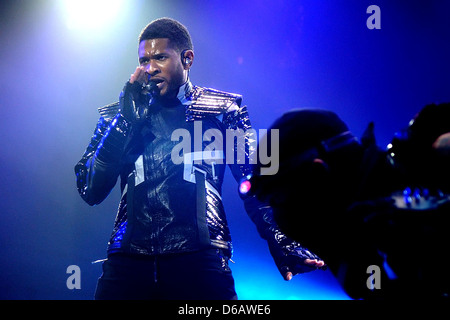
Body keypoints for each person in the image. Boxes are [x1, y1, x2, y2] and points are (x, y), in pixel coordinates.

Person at [75, 17, 324, 300]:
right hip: (128, 262)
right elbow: (89, 189)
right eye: (144, 60)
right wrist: (124, 121)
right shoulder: (117, 116)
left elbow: (259, 180)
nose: (150, 68)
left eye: (160, 57)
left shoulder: (222, 109)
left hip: (199, 260)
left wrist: (284, 240)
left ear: (187, 58)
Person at [247, 104, 450, 299]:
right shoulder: (350, 235)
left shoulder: (433, 155)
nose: (282, 216)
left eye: (280, 198)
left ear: (316, 175)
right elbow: (378, 288)